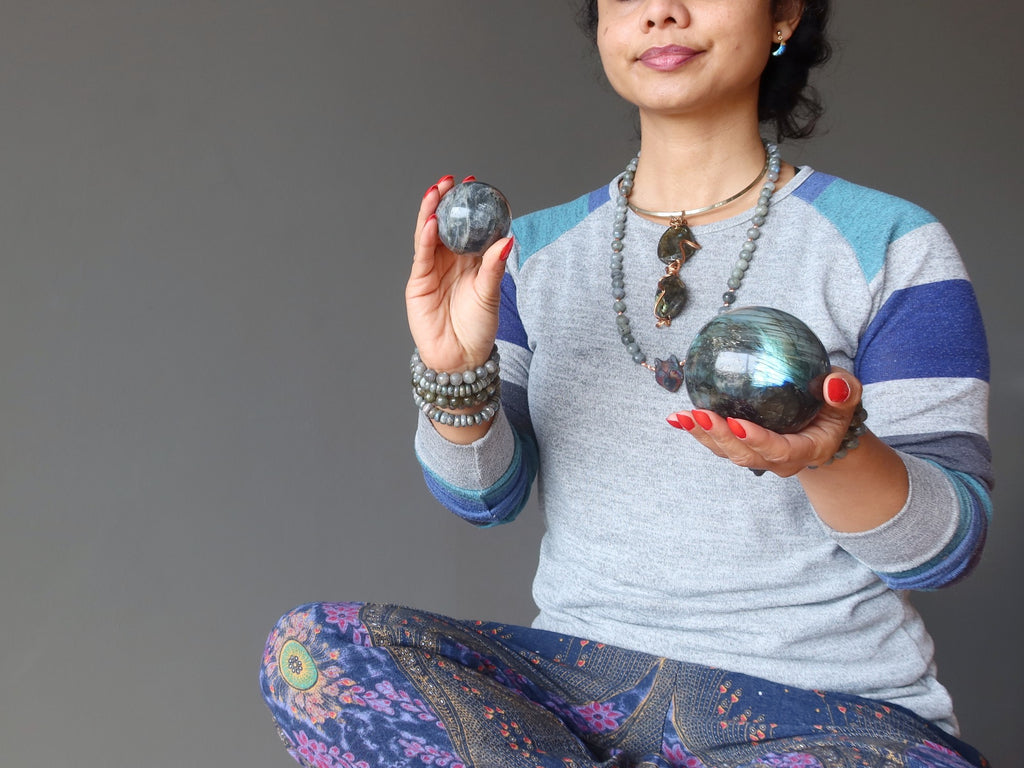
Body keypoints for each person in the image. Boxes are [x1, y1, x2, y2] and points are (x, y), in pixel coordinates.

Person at [260, 1, 992, 766]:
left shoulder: (890, 244)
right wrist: (455, 373)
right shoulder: (528, 254)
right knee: (315, 656)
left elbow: (941, 551)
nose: (662, 12)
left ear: (782, 15)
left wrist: (829, 452)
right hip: (577, 702)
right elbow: (482, 497)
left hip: (817, 717)